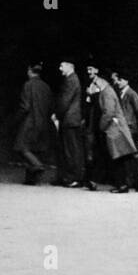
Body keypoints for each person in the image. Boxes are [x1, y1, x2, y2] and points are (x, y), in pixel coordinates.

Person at [13, 63, 53, 185]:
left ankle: (37, 166)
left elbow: (25, 106)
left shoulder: (28, 85)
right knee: (35, 149)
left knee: (22, 147)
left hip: (30, 120)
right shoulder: (46, 87)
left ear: (30, 71)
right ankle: (31, 179)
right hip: (43, 121)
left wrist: (16, 118)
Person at [53, 60, 89, 189]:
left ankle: (74, 178)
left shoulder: (71, 80)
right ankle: (71, 177)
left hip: (70, 120)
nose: (60, 68)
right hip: (72, 119)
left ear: (69, 66)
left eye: (62, 66)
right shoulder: (73, 79)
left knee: (71, 150)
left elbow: (64, 101)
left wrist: (57, 115)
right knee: (71, 149)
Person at [110, 71, 138, 191]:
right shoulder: (122, 93)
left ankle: (133, 181)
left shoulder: (131, 94)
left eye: (121, 80)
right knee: (127, 156)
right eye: (118, 80)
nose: (118, 82)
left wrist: (134, 124)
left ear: (127, 81)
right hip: (124, 127)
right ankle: (128, 181)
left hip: (130, 127)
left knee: (130, 156)